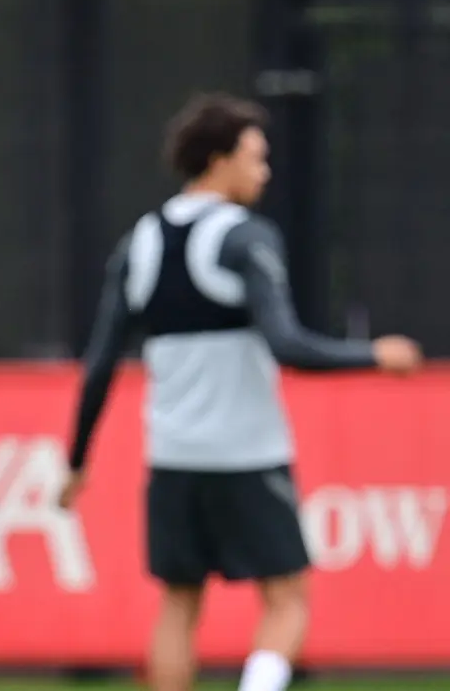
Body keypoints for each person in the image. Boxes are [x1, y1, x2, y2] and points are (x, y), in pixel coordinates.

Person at [58, 92, 422, 691]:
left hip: (172, 456)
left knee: (178, 603)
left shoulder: (139, 244)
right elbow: (289, 346)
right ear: (218, 160)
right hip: (247, 454)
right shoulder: (244, 237)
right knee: (287, 599)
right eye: (255, 158)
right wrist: (375, 356)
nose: (265, 172)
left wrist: (76, 461)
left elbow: (99, 364)